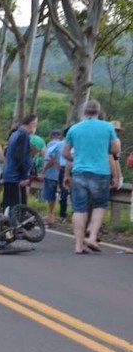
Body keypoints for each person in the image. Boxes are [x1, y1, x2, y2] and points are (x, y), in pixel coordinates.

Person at [62, 100, 120, 254]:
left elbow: (65, 153)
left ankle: (78, 245)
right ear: (98, 112)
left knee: (79, 209)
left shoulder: (74, 128)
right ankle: (92, 237)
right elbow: (115, 149)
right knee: (100, 206)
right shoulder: (107, 127)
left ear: (84, 112)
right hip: (101, 172)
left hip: (79, 172)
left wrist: (79, 158)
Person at [2, 114, 38, 209]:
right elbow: (20, 156)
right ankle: (15, 222)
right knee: (18, 205)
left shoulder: (15, 134)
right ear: (31, 124)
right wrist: (23, 176)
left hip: (9, 173)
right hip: (16, 176)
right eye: (35, 124)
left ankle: (6, 220)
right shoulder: (23, 135)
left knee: (8, 204)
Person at [41, 129, 64, 222]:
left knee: (50, 194)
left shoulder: (51, 144)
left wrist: (43, 171)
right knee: (61, 194)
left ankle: (51, 215)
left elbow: (50, 159)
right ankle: (60, 215)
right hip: (61, 173)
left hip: (51, 173)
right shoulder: (63, 144)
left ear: (51, 136)